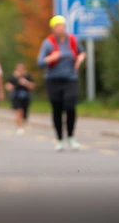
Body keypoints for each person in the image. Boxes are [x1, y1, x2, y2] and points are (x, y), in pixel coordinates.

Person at [37, 15, 86, 152]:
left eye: (62, 26)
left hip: (70, 78)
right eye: (57, 26)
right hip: (53, 79)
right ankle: (59, 139)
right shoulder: (48, 43)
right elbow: (39, 62)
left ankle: (71, 136)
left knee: (70, 105)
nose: (60, 28)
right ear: (53, 29)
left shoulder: (72, 40)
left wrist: (80, 59)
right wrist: (51, 58)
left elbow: (82, 52)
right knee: (57, 109)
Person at [6, 62, 35, 136]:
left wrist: (26, 83)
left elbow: (32, 86)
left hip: (25, 96)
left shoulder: (27, 76)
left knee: (25, 112)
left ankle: (23, 123)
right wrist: (11, 87)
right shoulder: (13, 76)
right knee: (18, 111)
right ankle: (19, 127)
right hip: (16, 96)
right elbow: (8, 85)